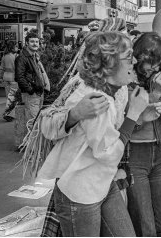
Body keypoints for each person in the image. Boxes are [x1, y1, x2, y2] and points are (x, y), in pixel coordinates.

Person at [37, 31, 150, 236]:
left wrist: (140, 114)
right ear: (108, 65)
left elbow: (112, 132)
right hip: (80, 191)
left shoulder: (119, 89)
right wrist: (133, 114)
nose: (134, 60)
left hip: (102, 182)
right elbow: (47, 121)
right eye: (127, 57)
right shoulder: (92, 96)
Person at [126, 32, 161, 236]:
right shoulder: (125, 80)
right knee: (145, 226)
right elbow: (127, 125)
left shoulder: (155, 79)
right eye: (152, 63)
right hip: (134, 156)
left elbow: (158, 119)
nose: (155, 68)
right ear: (140, 56)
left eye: (159, 64)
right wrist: (155, 94)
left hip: (158, 154)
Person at [15, 29, 50, 121]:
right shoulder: (22, 58)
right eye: (32, 42)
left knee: (37, 121)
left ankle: (35, 136)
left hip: (39, 93)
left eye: (37, 42)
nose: (35, 44)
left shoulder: (35, 56)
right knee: (32, 122)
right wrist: (30, 90)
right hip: (31, 95)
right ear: (27, 43)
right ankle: (31, 136)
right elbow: (19, 77)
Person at [0, 41, 19, 121]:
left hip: (5, 77)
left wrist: (0, 77)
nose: (17, 48)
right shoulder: (16, 56)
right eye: (16, 46)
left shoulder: (4, 56)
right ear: (12, 48)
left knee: (8, 97)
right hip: (13, 78)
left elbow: (1, 68)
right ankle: (8, 114)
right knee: (13, 97)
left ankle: (8, 113)